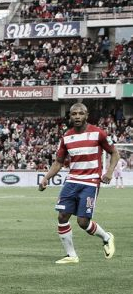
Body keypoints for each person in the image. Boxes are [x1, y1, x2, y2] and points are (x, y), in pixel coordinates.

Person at [39, 103, 118, 264]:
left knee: (83, 222)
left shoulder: (98, 133)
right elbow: (58, 162)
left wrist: (109, 172)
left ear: (86, 115)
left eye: (80, 113)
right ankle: (71, 255)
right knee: (62, 216)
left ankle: (107, 237)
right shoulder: (66, 137)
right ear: (70, 116)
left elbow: (114, 153)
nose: (77, 116)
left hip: (90, 182)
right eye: (74, 114)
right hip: (72, 181)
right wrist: (46, 177)